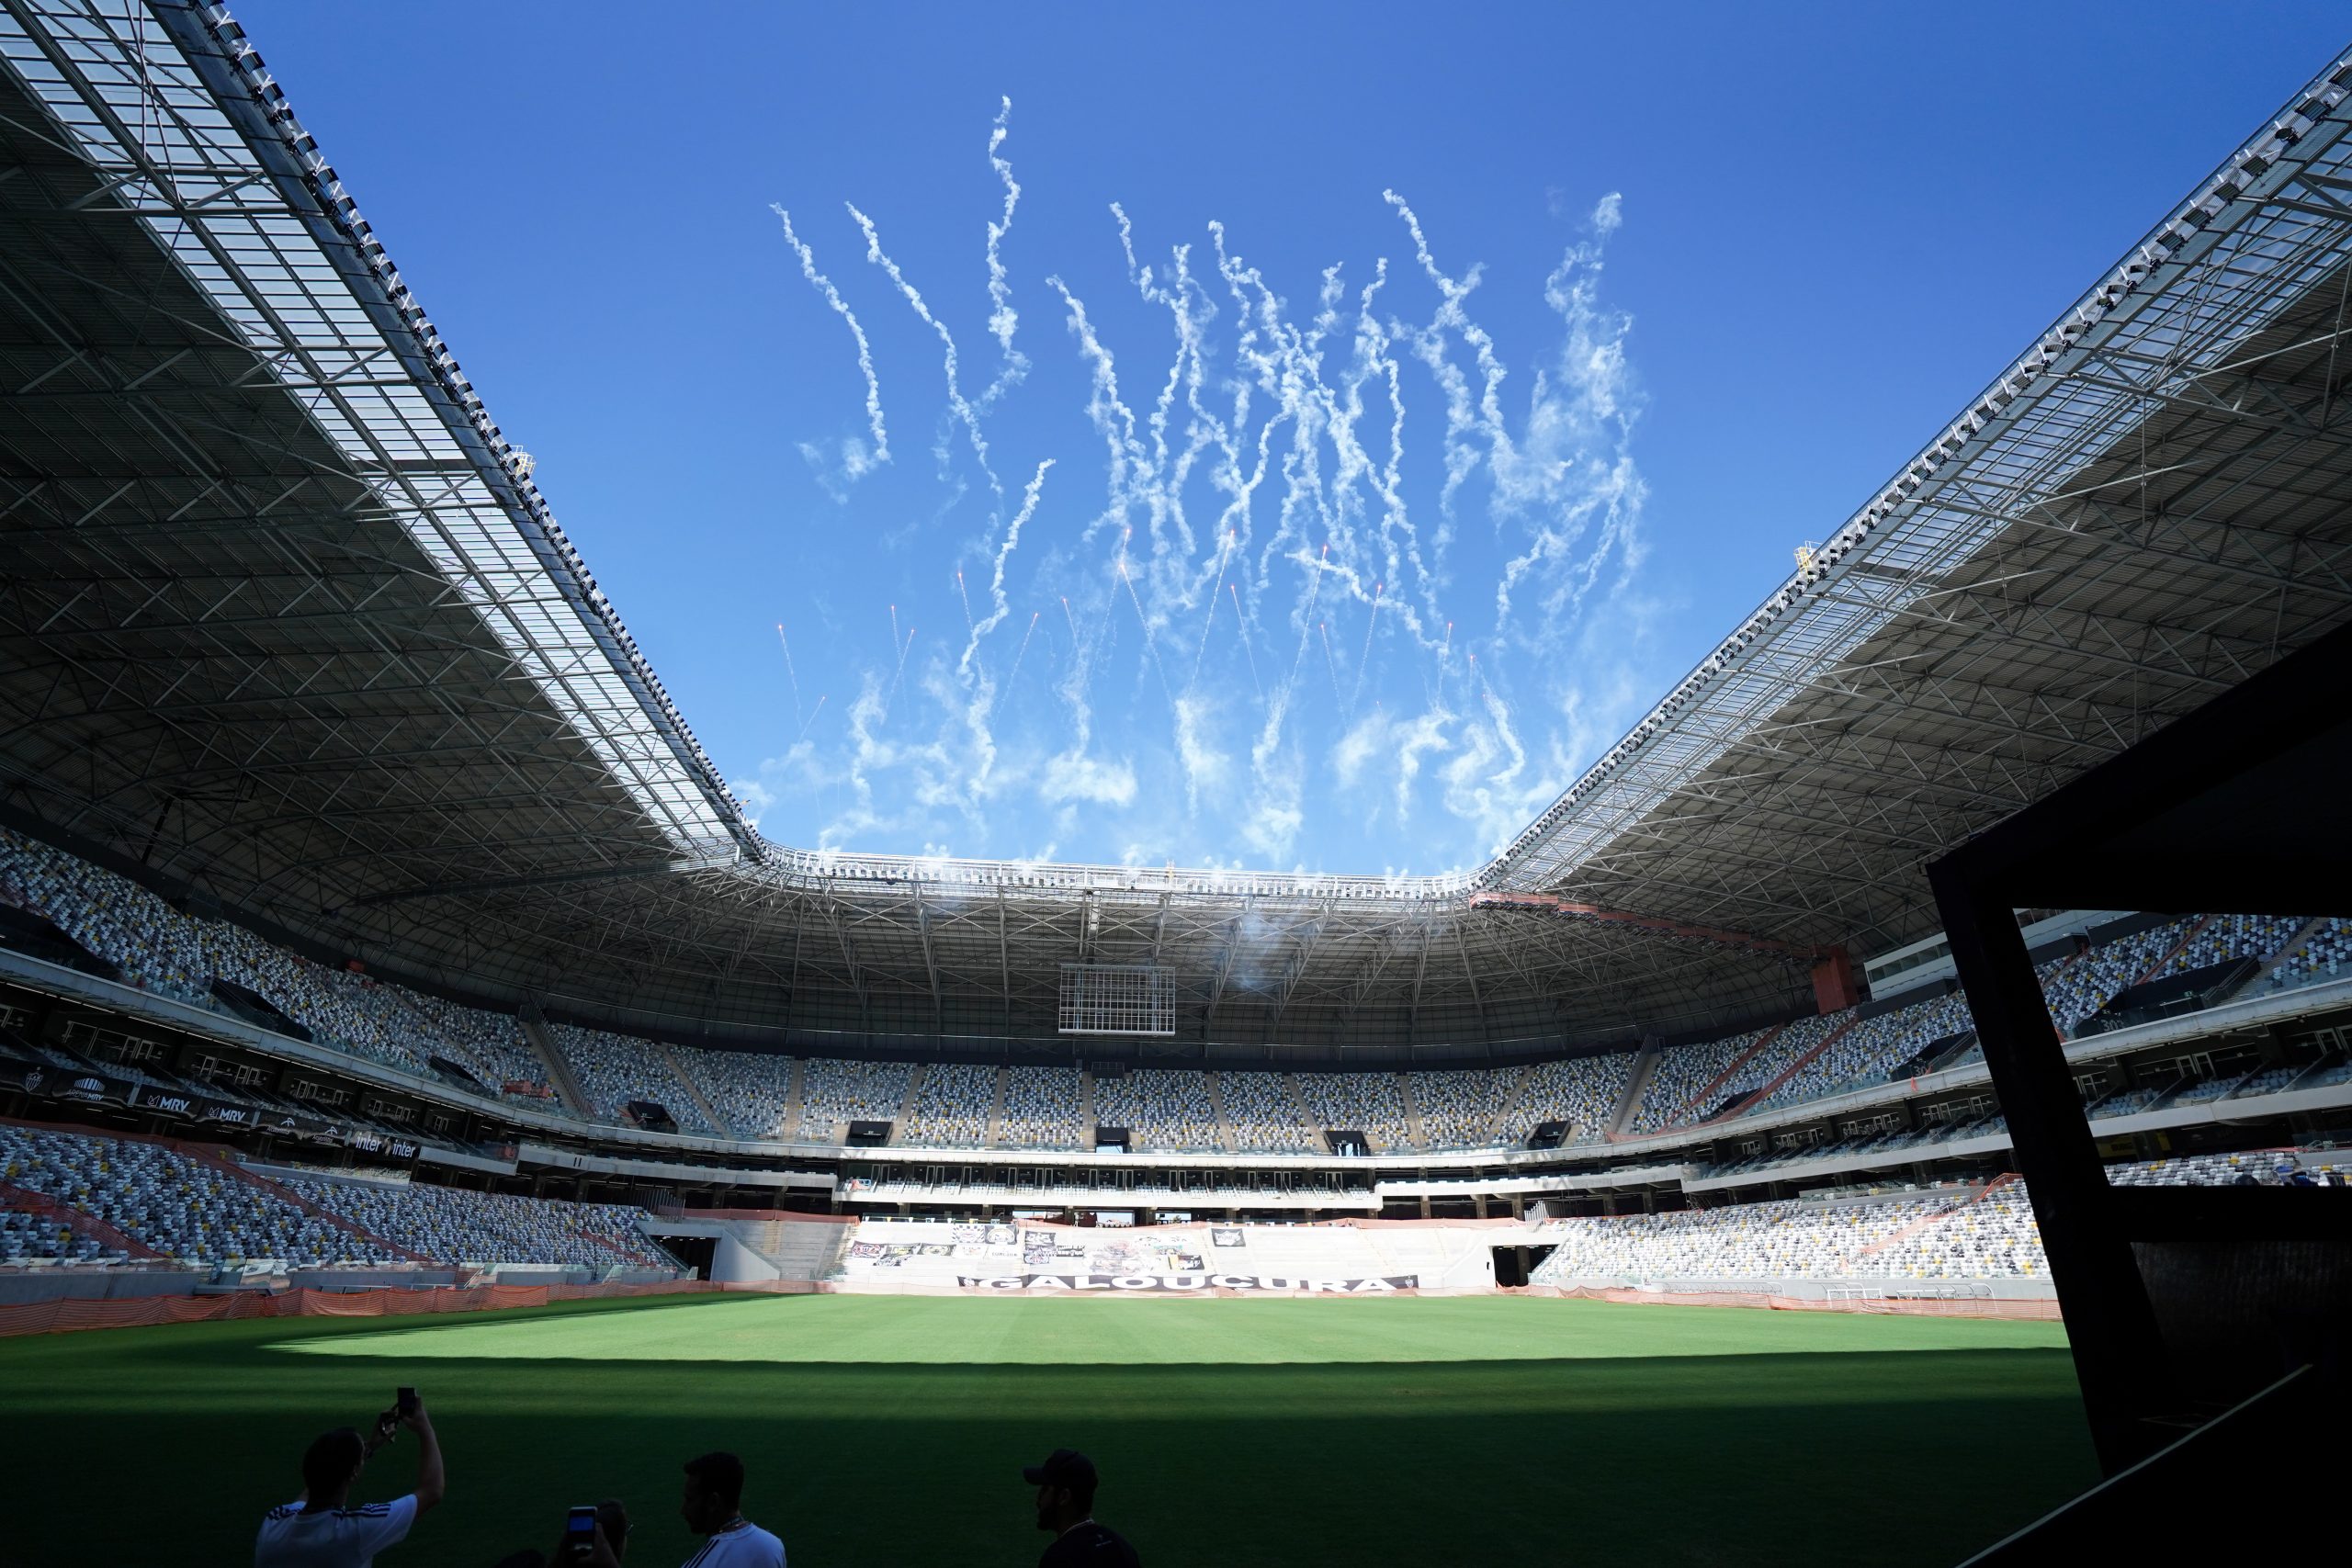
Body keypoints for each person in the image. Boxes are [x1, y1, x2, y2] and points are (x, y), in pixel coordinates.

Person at [255, 1393, 444, 1566]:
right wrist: (426, 1429)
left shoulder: (275, 1520)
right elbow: (432, 1491)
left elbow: (316, 1483)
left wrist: (368, 1447)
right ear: (354, 1472)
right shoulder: (355, 1530)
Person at [1024, 1449, 1139, 1567]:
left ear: (1064, 1497)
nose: (1038, 1499)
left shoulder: (1058, 1559)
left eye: (1045, 1489)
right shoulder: (1122, 1547)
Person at [677, 1452, 785, 1566]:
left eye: (690, 1499)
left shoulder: (703, 1564)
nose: (683, 1510)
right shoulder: (773, 1546)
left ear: (713, 1502)